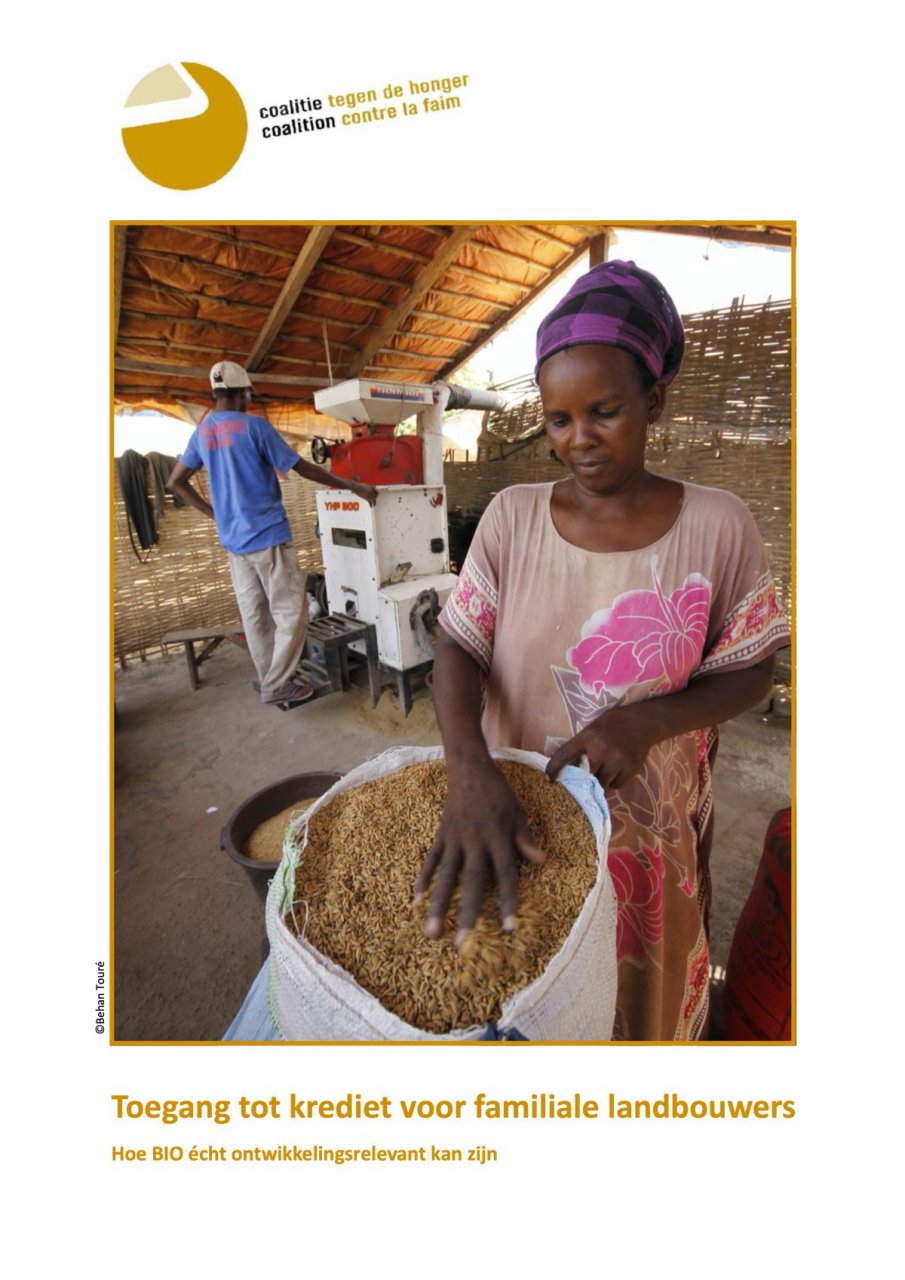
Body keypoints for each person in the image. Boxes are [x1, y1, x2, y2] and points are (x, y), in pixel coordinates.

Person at [415, 261, 790, 1040]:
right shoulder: (511, 517)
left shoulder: (718, 526)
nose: (577, 439)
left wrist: (645, 721)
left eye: (605, 411)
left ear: (653, 401)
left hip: (644, 834)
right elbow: (457, 645)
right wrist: (467, 769)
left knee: (635, 1004)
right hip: (518, 816)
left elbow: (754, 667)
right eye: (557, 420)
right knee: (521, 990)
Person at [168, 361, 377, 706]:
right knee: (293, 612)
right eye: (248, 393)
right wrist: (354, 486)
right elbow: (303, 467)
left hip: (235, 545)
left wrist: (216, 515)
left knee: (255, 616)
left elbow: (175, 481)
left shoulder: (202, 433)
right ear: (241, 393)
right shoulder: (254, 427)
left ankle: (270, 678)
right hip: (267, 538)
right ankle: (278, 683)